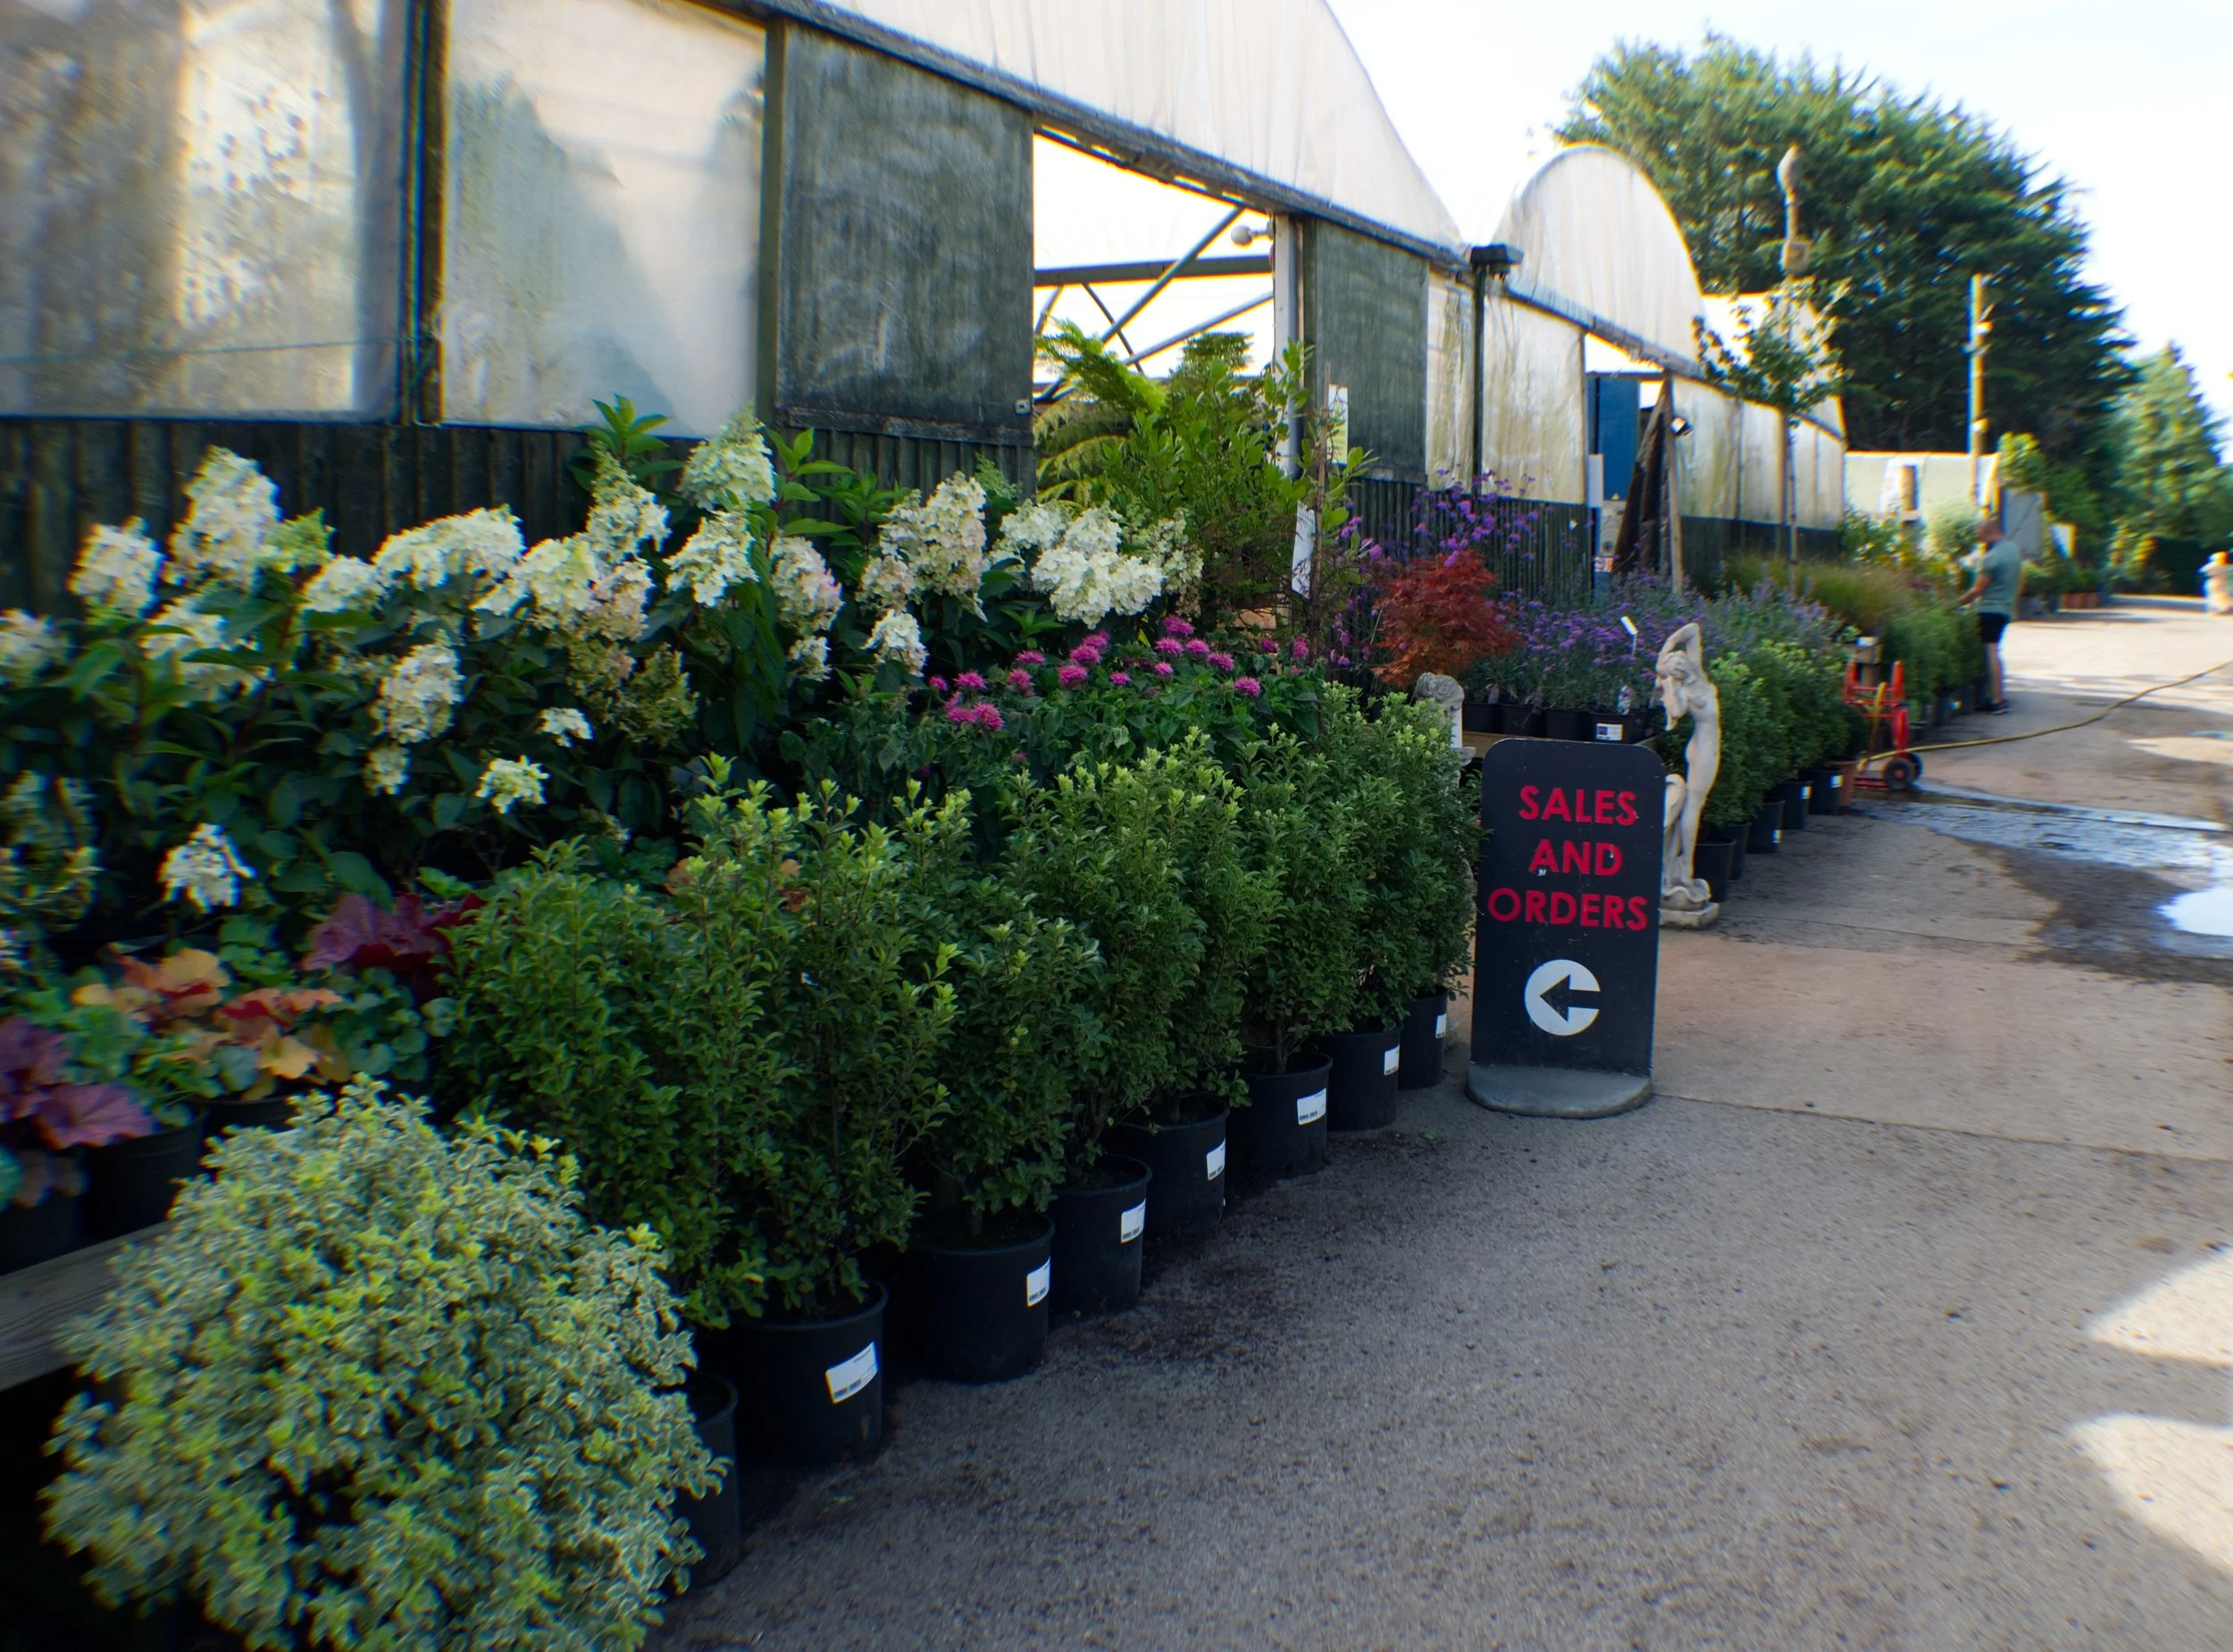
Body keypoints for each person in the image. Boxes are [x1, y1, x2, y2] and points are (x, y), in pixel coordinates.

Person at [1957, 520, 2022, 714]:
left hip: (1989, 609)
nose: (1980, 539)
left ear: (1986, 532)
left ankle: (1997, 700)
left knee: (1991, 652)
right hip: (2005, 608)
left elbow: (1978, 589)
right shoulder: (2013, 550)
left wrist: (1955, 603)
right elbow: (2021, 580)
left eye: (1980, 535)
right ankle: (1996, 697)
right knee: (1994, 651)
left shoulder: (1990, 558)